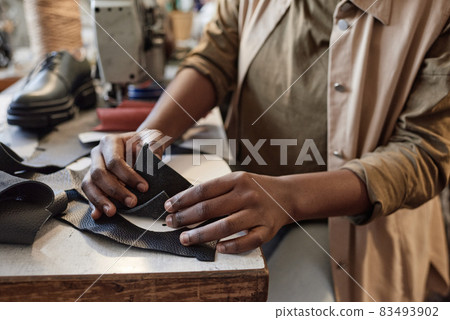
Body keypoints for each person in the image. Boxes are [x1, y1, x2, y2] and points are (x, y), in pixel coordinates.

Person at [82, 0, 450, 301]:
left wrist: (289, 197)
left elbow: (425, 152)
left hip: (362, 227)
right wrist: (147, 139)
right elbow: (213, 59)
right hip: (248, 201)